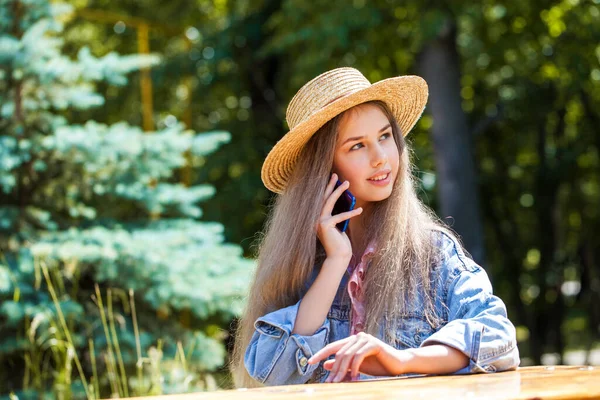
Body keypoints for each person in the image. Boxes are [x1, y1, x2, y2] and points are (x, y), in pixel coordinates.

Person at [230, 67, 520, 387]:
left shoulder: (432, 253)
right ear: (323, 168)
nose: (381, 157)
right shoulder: (301, 265)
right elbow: (273, 373)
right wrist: (335, 262)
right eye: (357, 146)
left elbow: (499, 339)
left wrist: (399, 360)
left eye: (384, 137)